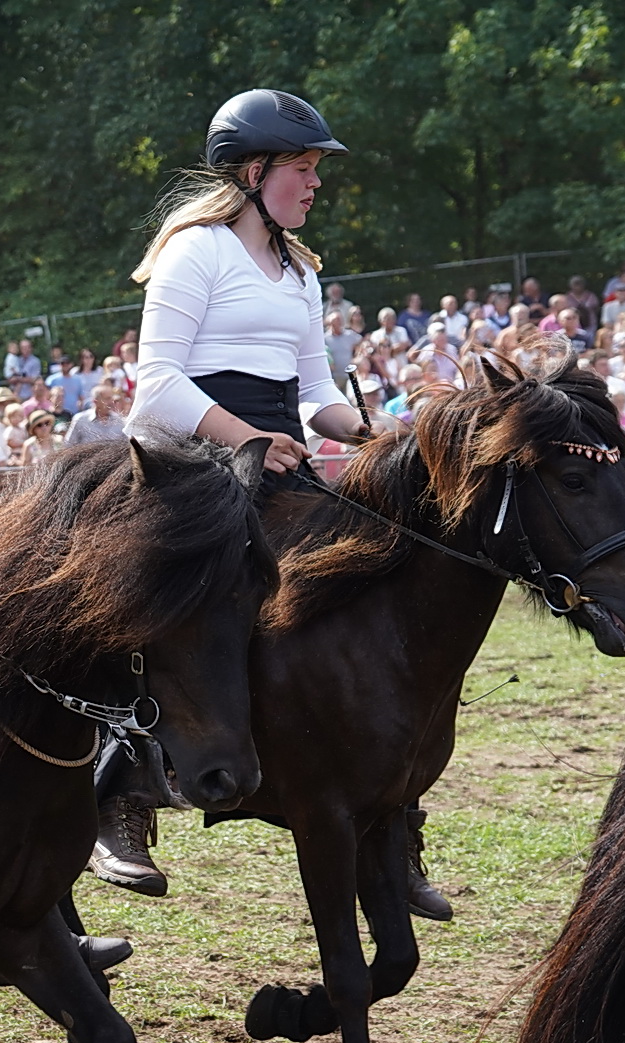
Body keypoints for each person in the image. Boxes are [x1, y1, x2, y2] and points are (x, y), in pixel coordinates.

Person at [121, 88, 450, 916]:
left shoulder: (299, 269)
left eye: (313, 170)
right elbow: (155, 386)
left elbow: (313, 390)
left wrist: (378, 430)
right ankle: (118, 787)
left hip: (277, 465)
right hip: (191, 468)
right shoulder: (194, 254)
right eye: (302, 169)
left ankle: (394, 812)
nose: (313, 184)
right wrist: (247, 439)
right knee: (174, 607)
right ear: (254, 170)